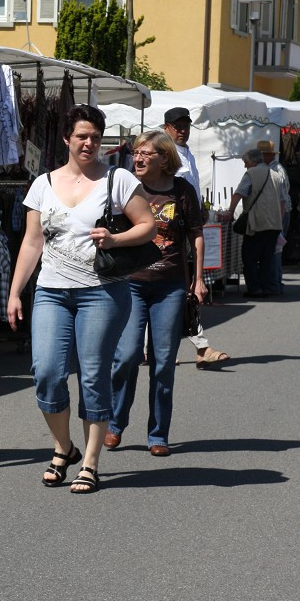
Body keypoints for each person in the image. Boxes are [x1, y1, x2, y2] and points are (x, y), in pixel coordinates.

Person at [7, 104, 156, 494]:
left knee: (92, 375)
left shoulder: (117, 179)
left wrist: (115, 238)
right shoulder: (43, 183)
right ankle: (63, 448)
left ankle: (89, 462)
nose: (88, 143)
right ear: (67, 139)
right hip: (51, 292)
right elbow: (32, 241)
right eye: (81, 136)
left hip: (102, 292)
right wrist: (15, 292)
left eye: (94, 137)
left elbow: (148, 225)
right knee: (47, 373)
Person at [104, 131, 206, 455]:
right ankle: (116, 422)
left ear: (164, 158)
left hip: (170, 286)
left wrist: (199, 279)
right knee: (128, 354)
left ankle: (158, 434)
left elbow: (196, 235)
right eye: (136, 153)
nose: (138, 158)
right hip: (131, 283)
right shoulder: (127, 188)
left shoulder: (182, 191)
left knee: (163, 362)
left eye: (147, 153)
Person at [162, 106, 230, 368]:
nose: (182, 130)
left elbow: (190, 189)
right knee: (180, 289)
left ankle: (153, 348)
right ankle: (200, 346)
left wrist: (199, 208)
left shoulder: (186, 153)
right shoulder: (164, 152)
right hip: (171, 231)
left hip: (184, 229)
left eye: (185, 125)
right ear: (166, 127)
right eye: (177, 126)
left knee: (172, 290)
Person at [219, 148, 283, 297]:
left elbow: (238, 194)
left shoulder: (251, 174)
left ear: (253, 162)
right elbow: (282, 201)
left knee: (249, 257)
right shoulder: (276, 175)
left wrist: (230, 212)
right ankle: (266, 287)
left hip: (257, 222)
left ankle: (254, 288)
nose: (244, 166)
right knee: (267, 258)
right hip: (274, 223)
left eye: (246, 162)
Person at [257, 139, 291, 293]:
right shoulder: (273, 168)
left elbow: (282, 196)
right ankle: (275, 281)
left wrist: (278, 216)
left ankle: (275, 282)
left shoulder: (276, 170)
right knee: (275, 247)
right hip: (278, 211)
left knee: (276, 248)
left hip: (278, 212)